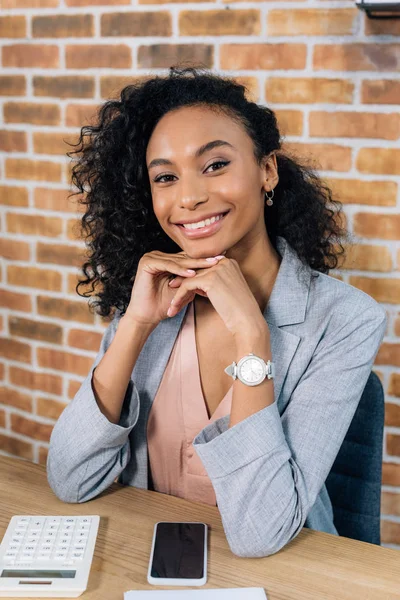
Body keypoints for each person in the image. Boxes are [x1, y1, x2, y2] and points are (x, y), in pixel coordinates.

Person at [47, 66, 387, 558]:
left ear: (267, 169)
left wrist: (252, 333)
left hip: (283, 577)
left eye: (215, 165)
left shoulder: (344, 320)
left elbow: (260, 534)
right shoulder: (153, 295)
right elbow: (70, 479)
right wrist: (137, 325)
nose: (188, 197)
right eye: (166, 176)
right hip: (149, 561)